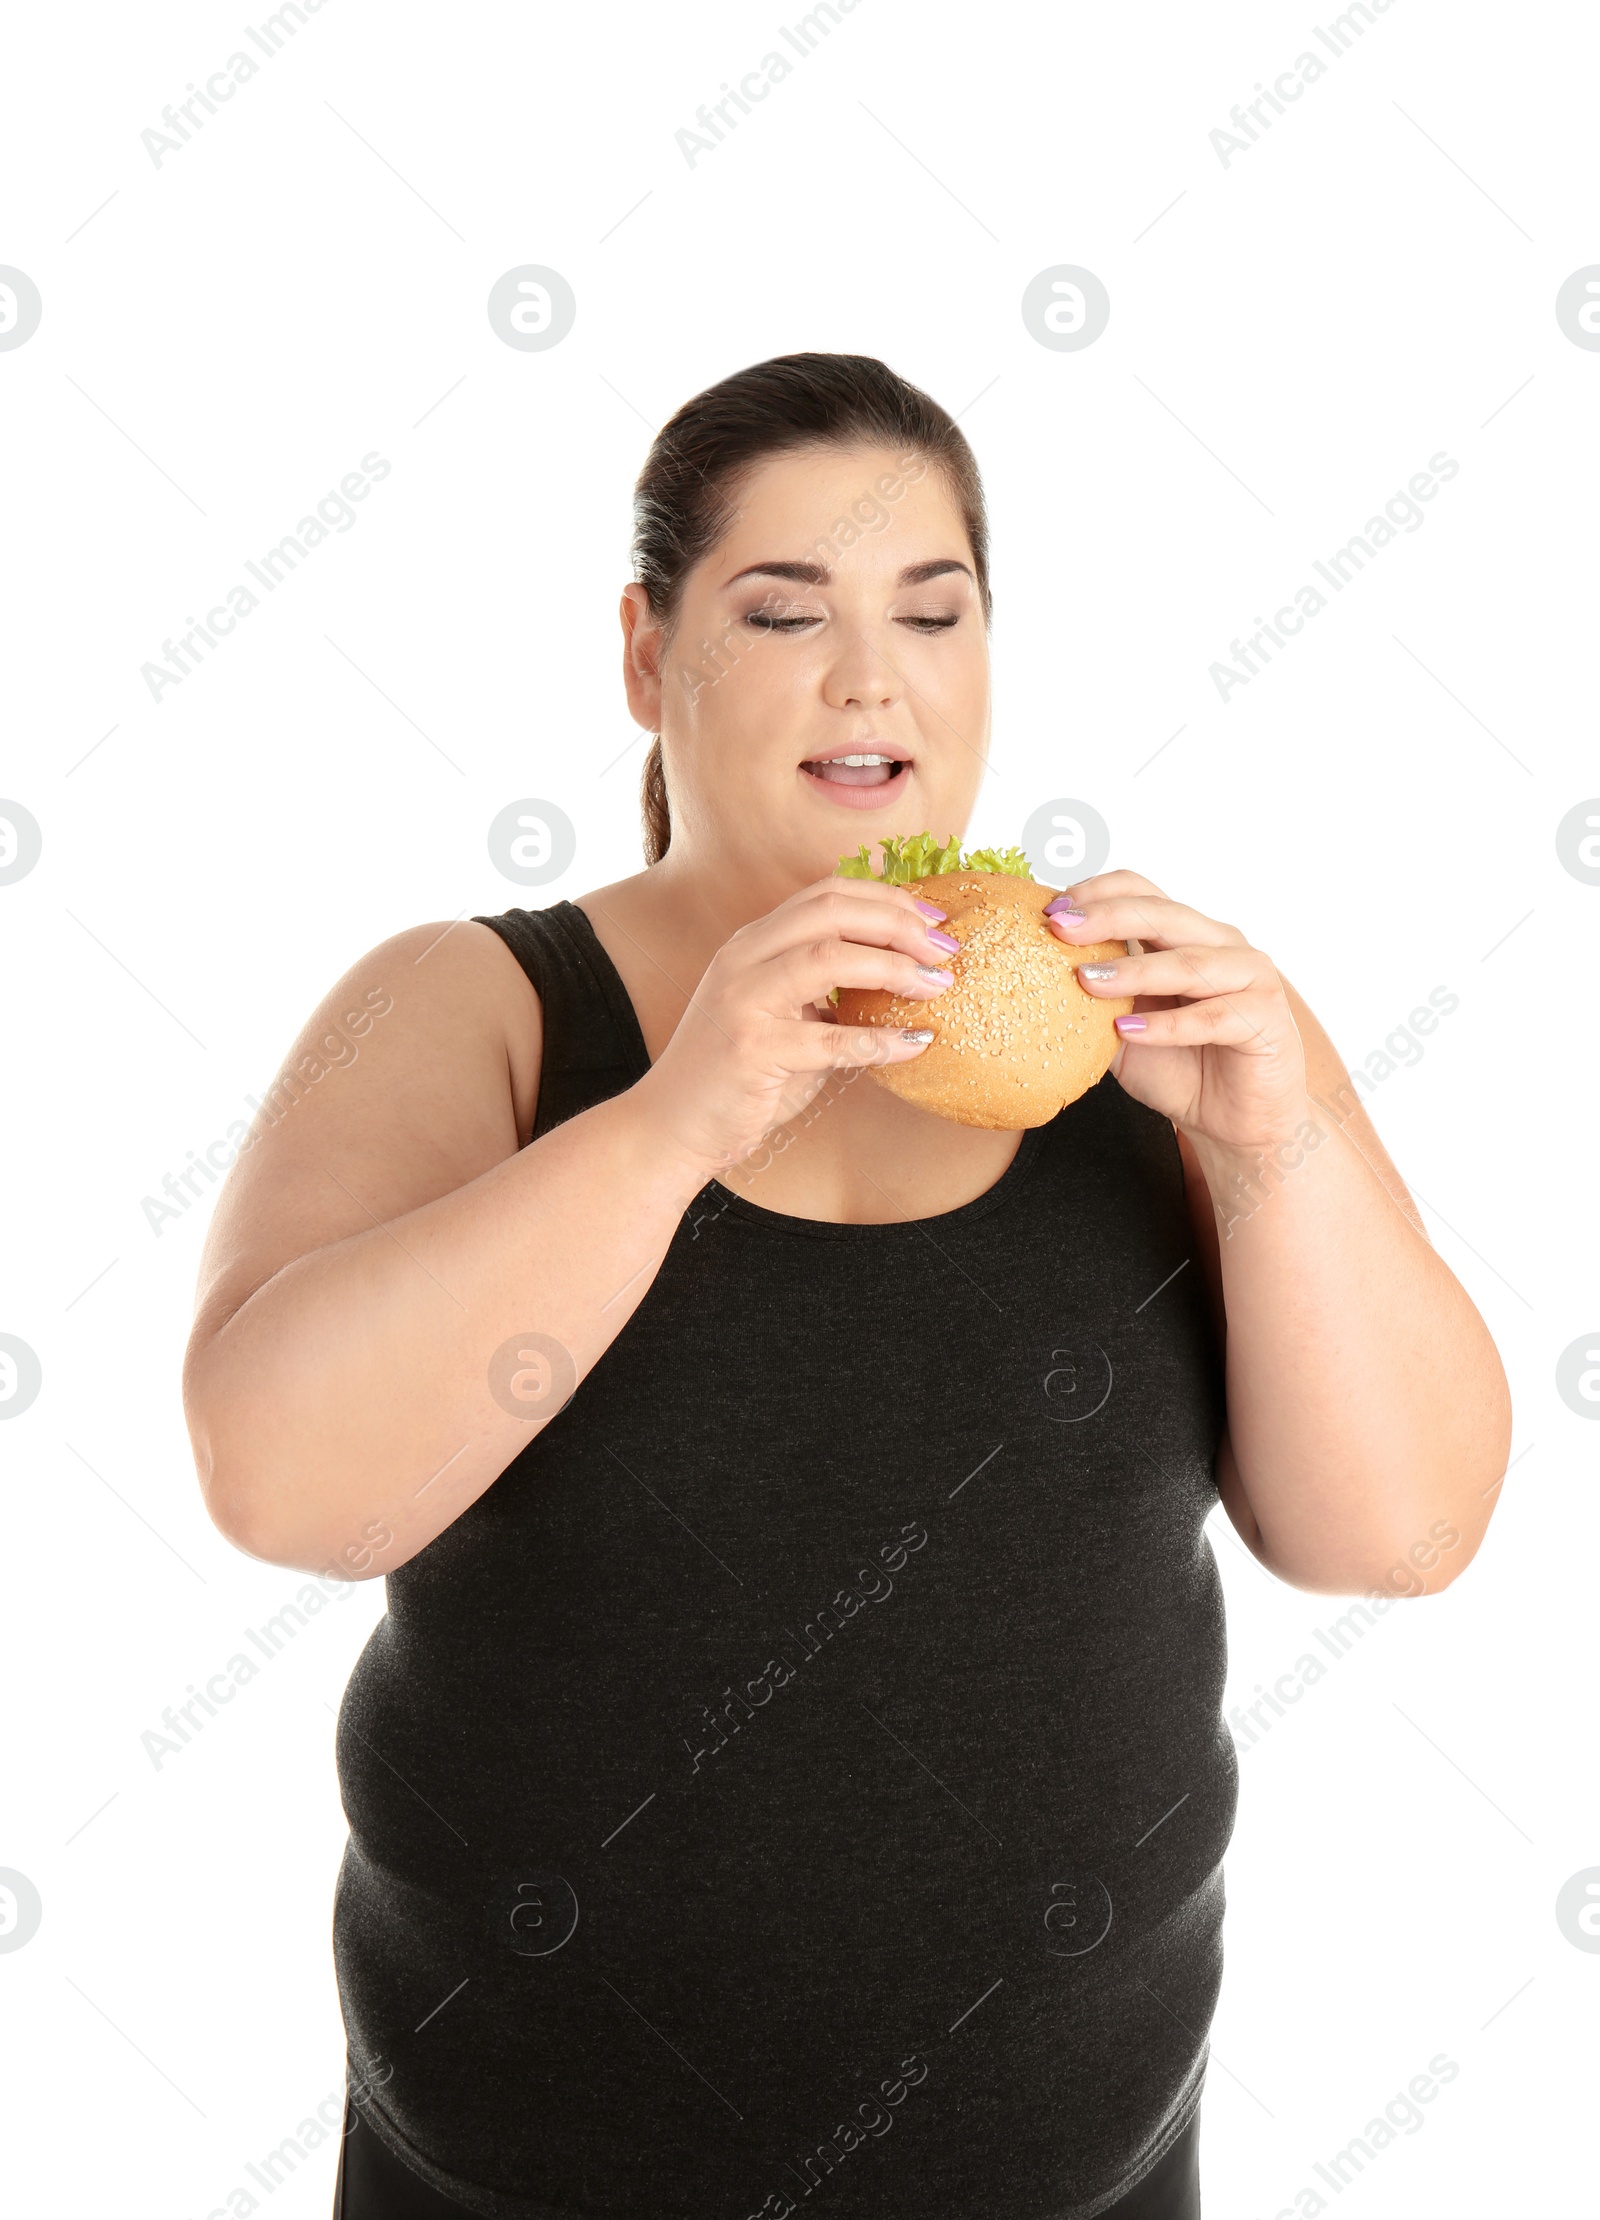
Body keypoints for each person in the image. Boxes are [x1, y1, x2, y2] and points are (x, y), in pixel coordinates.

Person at [181, 352, 1510, 2220]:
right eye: (782, 611)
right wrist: (674, 1121)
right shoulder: (469, 1008)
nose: (870, 674)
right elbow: (283, 1483)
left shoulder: (1164, 1026)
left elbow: (1404, 1532)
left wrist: (1274, 1137)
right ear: (649, 662)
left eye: (933, 613)